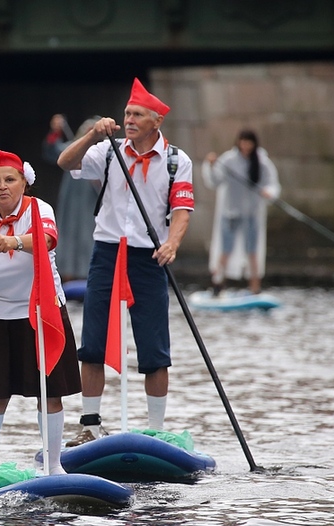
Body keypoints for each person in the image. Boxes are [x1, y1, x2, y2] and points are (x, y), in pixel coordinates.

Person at [57, 78, 194, 445]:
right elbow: (64, 161)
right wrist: (91, 136)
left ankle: (156, 430)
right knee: (93, 342)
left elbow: (182, 209)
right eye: (126, 113)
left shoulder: (176, 161)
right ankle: (90, 425)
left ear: (156, 121)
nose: (128, 120)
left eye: (137, 114)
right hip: (107, 252)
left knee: (154, 346)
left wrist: (172, 243)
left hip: (150, 256)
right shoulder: (108, 152)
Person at [0, 150, 81, 489]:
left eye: (10, 179)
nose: (3, 187)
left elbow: (48, 240)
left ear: (24, 182)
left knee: (49, 392)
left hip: (42, 311)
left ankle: (53, 466)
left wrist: (14, 241)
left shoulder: (40, 210)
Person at [201, 129, 281, 295]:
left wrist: (269, 193)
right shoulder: (228, 160)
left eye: (249, 142)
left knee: (252, 251)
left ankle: (255, 288)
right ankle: (217, 285)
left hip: (252, 215)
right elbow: (215, 180)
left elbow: (272, 184)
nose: (245, 146)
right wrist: (210, 165)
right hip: (231, 214)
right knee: (225, 250)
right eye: (243, 141)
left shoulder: (262, 162)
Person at [42, 114, 102, 281]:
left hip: (91, 204)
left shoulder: (105, 155)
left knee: (88, 235)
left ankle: (88, 273)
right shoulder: (72, 149)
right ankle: (66, 274)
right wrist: (56, 131)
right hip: (71, 202)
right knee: (67, 236)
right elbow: (52, 151)